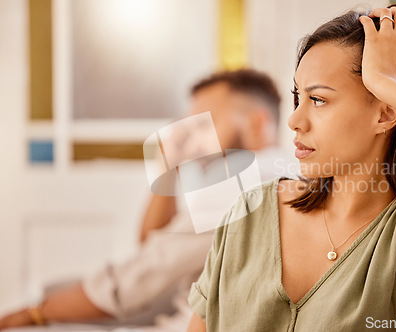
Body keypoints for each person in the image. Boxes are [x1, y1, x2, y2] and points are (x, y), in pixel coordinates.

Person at [187, 4, 396, 331]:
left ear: (385, 114)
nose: (294, 121)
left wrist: (388, 85)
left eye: (319, 100)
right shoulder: (249, 212)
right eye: (298, 97)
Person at [0, 69, 297, 331]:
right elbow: (154, 252)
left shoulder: (238, 186)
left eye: (205, 123)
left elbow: (133, 280)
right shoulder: (285, 171)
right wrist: (169, 169)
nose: (192, 138)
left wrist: (33, 314)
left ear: (257, 124)